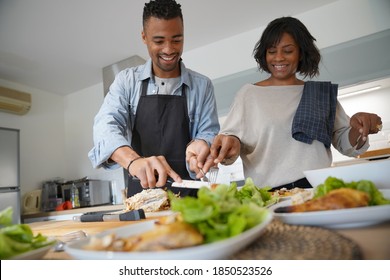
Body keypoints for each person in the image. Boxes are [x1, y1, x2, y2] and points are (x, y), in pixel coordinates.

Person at [210, 16, 382, 190]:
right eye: (271, 51)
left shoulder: (320, 94)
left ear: (301, 53)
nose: (278, 58)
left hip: (316, 191)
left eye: (288, 50)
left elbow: (346, 146)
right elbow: (228, 143)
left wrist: (359, 128)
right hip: (269, 195)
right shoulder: (248, 95)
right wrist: (228, 147)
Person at [88, 0, 219, 197]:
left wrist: (202, 145)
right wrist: (132, 161)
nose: (168, 49)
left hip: (191, 195)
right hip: (142, 196)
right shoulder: (126, 81)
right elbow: (105, 125)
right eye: (159, 41)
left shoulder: (202, 85)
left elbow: (208, 132)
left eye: (177, 40)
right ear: (144, 37)